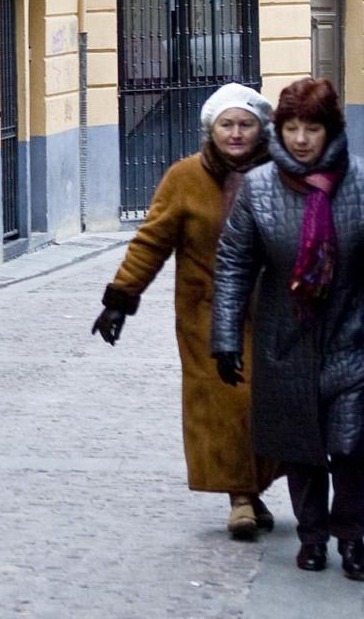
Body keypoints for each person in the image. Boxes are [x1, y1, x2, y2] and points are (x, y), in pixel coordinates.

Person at [211, 77, 364, 582]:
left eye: (311, 128)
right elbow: (234, 265)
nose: (301, 139)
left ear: (330, 129)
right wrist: (225, 336)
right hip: (285, 336)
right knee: (301, 443)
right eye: (291, 128)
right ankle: (312, 536)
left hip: (357, 329)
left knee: (350, 442)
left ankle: (351, 535)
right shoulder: (258, 187)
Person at [93, 82, 280, 541]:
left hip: (272, 310)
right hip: (206, 314)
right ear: (210, 130)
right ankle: (239, 497)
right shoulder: (185, 177)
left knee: (267, 403)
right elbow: (151, 241)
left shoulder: (279, 175)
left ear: (261, 129)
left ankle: (254, 487)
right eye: (226, 125)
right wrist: (120, 300)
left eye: (246, 124)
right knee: (225, 404)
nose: (235, 133)